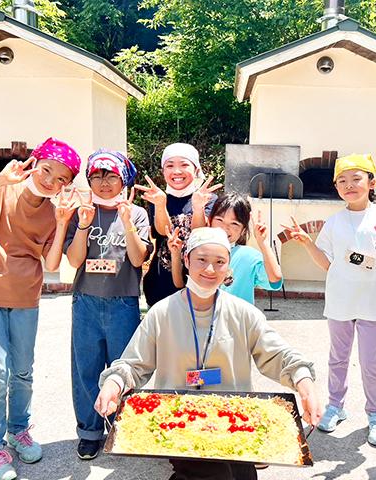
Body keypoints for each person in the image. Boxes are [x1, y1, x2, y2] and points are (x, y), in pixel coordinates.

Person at [94, 227, 323, 480]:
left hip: (234, 419)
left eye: (220, 262)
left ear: (229, 267)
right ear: (186, 260)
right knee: (213, 475)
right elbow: (133, 364)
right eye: (201, 259)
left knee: (244, 476)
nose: (210, 269)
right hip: (179, 420)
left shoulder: (244, 313)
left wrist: (305, 384)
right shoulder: (161, 313)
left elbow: (279, 355)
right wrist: (114, 383)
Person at [0, 138, 81, 480]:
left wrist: (62, 222)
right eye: (46, 170)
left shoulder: (52, 213)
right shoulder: (0, 191)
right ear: (34, 164)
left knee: (22, 371)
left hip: (25, 297)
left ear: (66, 185)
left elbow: (53, 263)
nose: (50, 180)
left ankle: (18, 430)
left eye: (61, 178)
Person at [282, 153, 376, 446]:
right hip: (340, 301)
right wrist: (308, 243)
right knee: (337, 359)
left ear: (372, 183)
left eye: (356, 179)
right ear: (336, 187)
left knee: (371, 364)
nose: (349, 185)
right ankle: (336, 406)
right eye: (342, 181)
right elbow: (327, 264)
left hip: (375, 303)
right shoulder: (335, 222)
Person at [63, 150, 153, 460]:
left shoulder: (136, 214)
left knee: (123, 368)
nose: (104, 182)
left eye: (111, 175)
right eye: (97, 176)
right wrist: (83, 225)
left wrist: (127, 223)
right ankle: (89, 432)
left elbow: (138, 259)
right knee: (86, 369)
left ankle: (122, 427)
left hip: (123, 302)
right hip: (85, 301)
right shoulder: (81, 213)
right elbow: (75, 260)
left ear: (123, 180)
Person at [135, 143, 221, 306]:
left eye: (184, 165)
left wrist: (198, 207)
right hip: (160, 286)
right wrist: (160, 205)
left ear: (196, 170)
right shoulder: (158, 198)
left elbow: (200, 234)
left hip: (196, 286)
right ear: (163, 172)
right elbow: (163, 231)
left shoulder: (208, 199)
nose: (177, 171)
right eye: (170, 165)